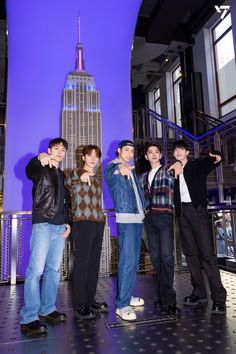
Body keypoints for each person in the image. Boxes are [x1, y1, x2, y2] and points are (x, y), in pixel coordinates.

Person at [20, 138, 71, 335]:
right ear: (49, 150)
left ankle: (47, 308)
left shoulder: (61, 174)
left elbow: (65, 202)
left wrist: (68, 222)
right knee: (35, 271)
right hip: (43, 224)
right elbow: (29, 171)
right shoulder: (41, 168)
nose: (60, 152)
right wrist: (39, 158)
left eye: (63, 150)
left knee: (53, 271)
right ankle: (29, 317)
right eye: (56, 148)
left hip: (59, 228)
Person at [173, 139, 227, 314]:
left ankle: (219, 298)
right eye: (176, 150)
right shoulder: (173, 169)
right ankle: (199, 291)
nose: (179, 152)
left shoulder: (197, 165)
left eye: (182, 149)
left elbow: (218, 159)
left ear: (187, 152)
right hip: (182, 215)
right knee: (190, 254)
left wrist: (216, 155)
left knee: (207, 254)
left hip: (198, 212)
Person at [104, 140, 146, 321]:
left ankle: (127, 296)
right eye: (126, 150)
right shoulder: (113, 167)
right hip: (127, 218)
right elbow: (112, 175)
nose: (129, 154)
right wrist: (120, 168)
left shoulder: (131, 168)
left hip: (137, 217)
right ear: (119, 151)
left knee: (133, 260)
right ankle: (122, 305)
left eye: (132, 151)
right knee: (127, 261)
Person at [65, 145, 107, 320]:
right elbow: (68, 182)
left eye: (96, 156)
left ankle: (90, 300)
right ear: (83, 157)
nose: (93, 159)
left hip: (97, 224)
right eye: (89, 155)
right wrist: (80, 175)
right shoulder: (75, 173)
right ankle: (80, 304)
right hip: (82, 224)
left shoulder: (97, 179)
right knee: (82, 264)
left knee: (93, 265)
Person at [141, 143, 182, 315]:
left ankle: (170, 300)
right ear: (146, 156)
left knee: (167, 256)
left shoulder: (168, 170)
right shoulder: (142, 177)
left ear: (160, 155)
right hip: (149, 219)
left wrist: (178, 165)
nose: (154, 154)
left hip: (164, 216)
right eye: (150, 152)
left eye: (157, 152)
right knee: (156, 257)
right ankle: (162, 296)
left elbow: (179, 167)